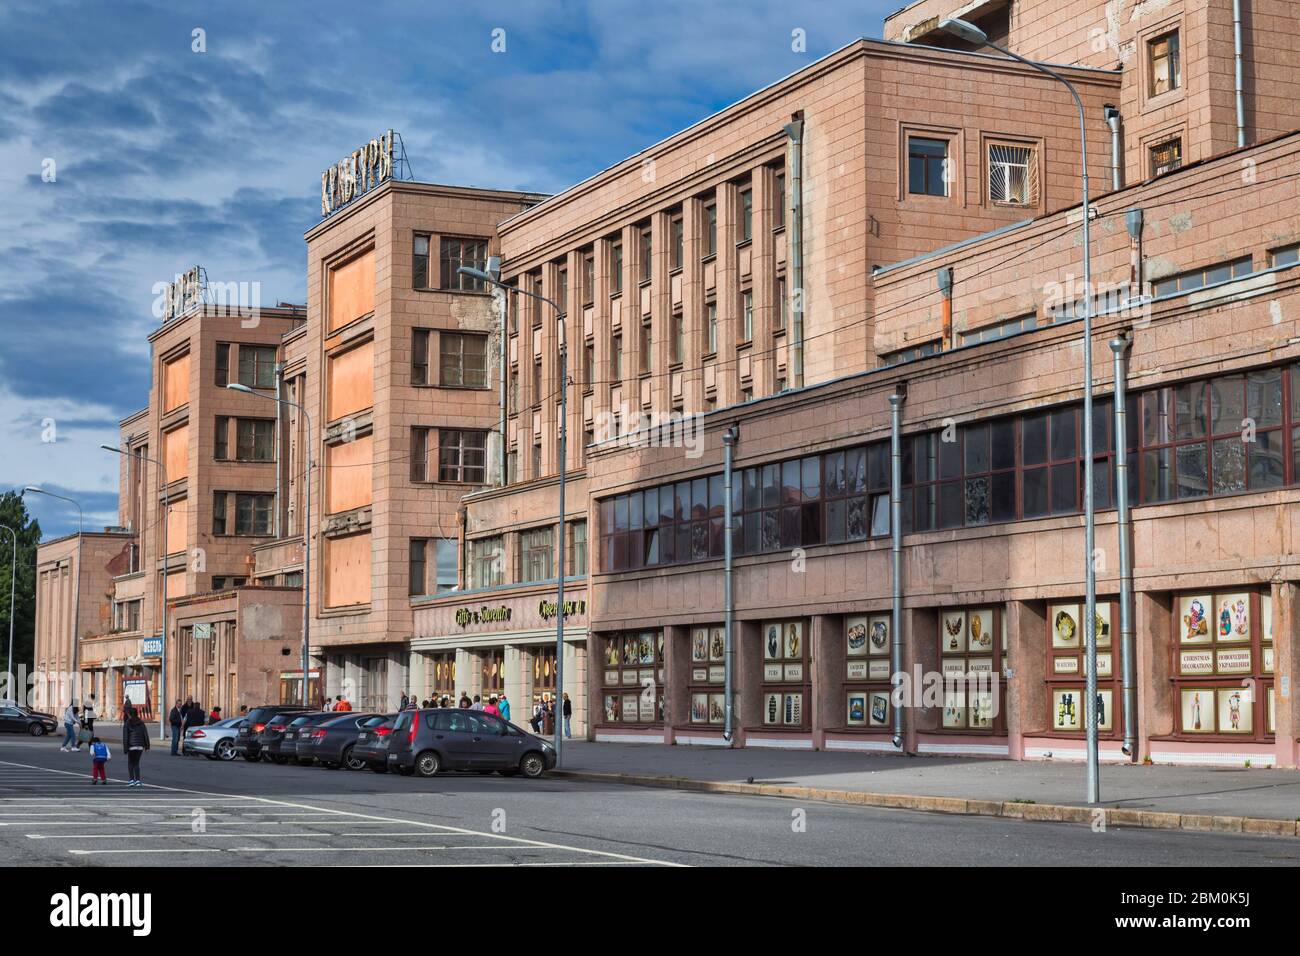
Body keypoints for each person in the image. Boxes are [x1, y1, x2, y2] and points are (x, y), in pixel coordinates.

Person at [122, 709, 150, 787]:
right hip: (140, 746)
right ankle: (137, 781)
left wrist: (125, 748)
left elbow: (125, 737)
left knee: (130, 763)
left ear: (130, 714)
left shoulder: (127, 723)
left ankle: (131, 780)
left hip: (131, 746)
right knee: (136, 763)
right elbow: (145, 734)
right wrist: (147, 746)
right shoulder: (141, 723)